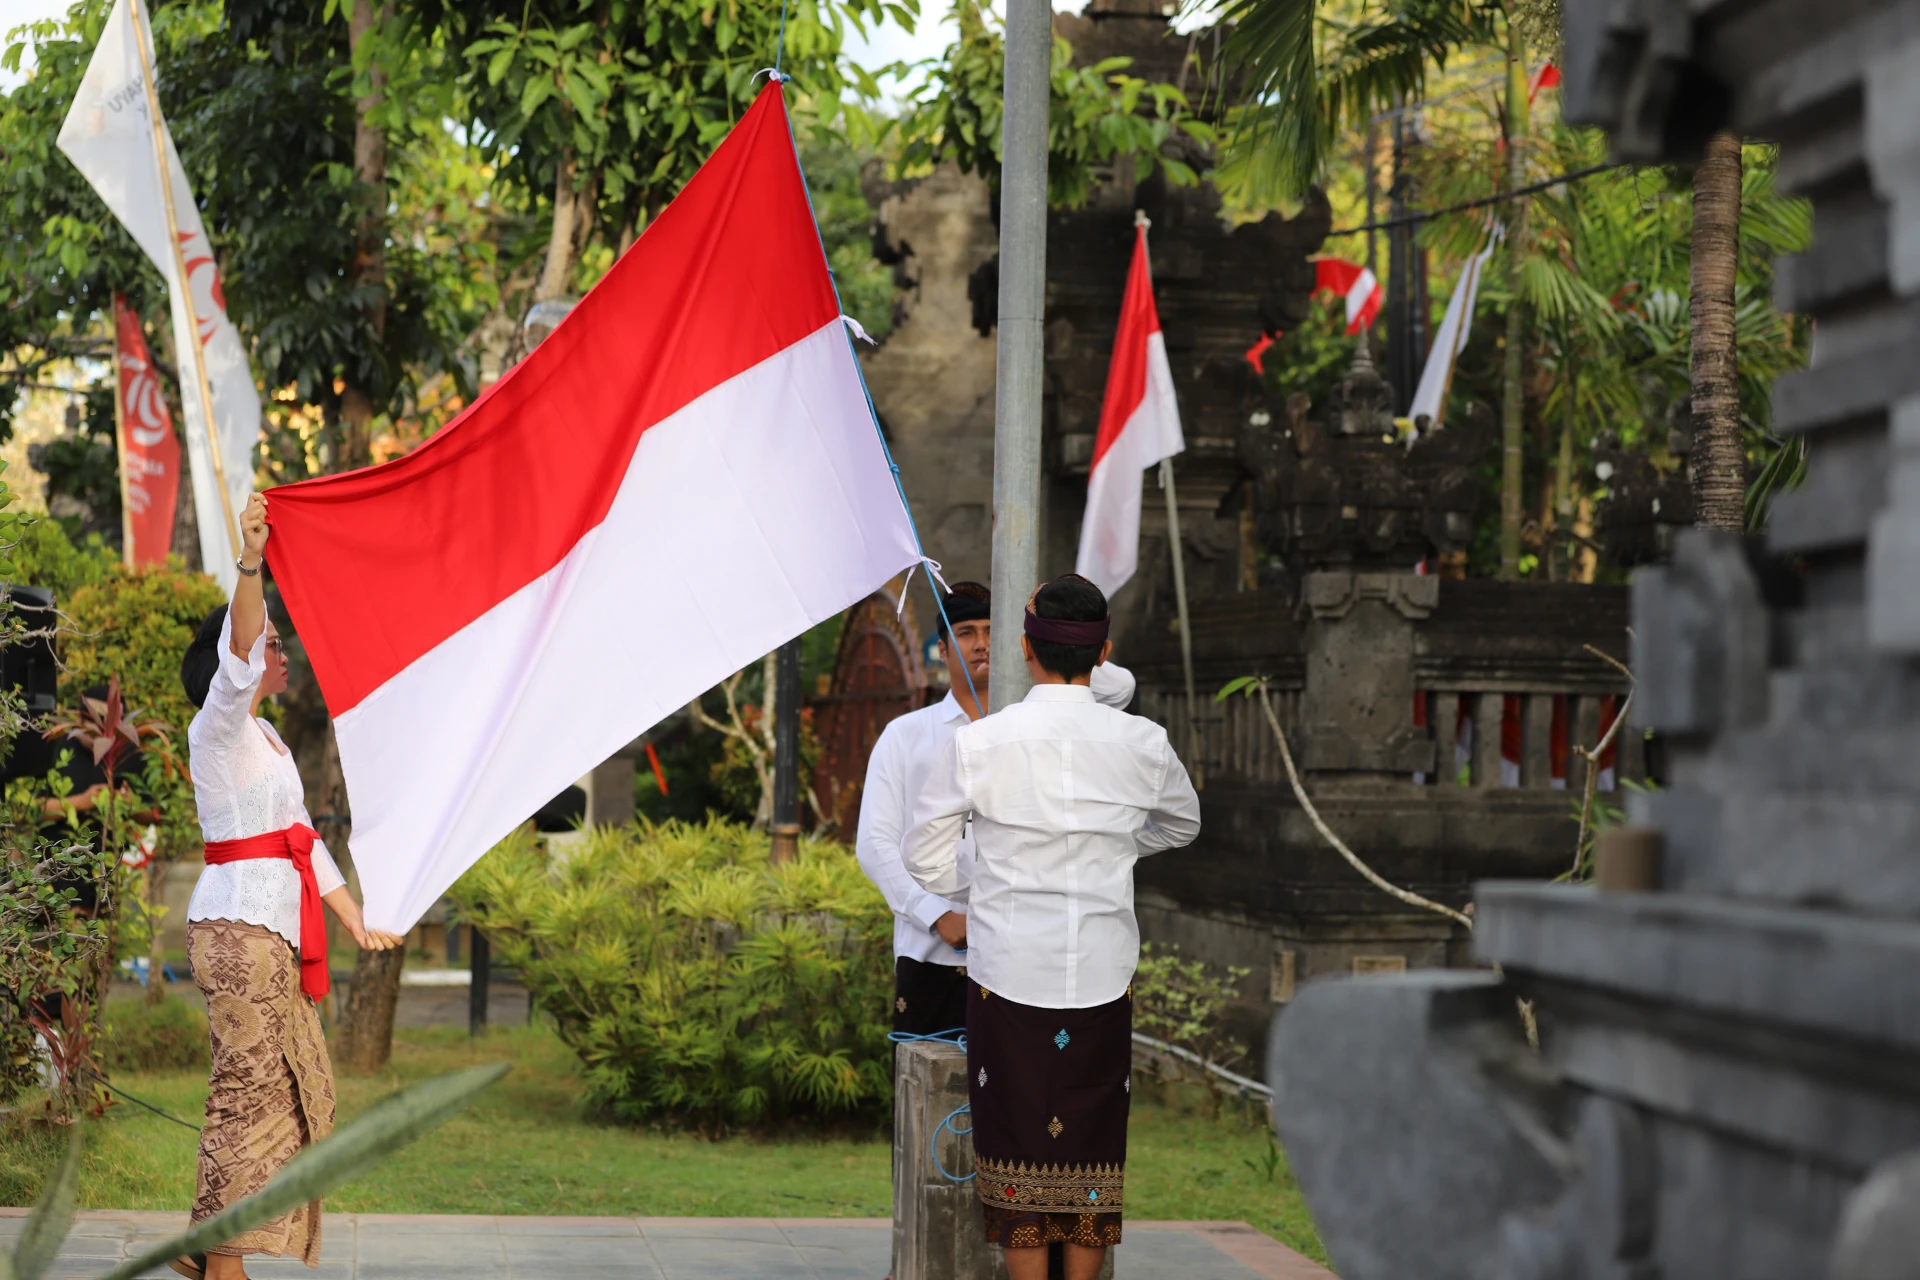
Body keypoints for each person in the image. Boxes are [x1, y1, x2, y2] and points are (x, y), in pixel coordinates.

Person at [905, 574, 1200, 1280]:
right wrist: (1118, 842)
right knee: (1093, 1156)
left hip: (1007, 973)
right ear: (1104, 654)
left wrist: (986, 885)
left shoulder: (984, 743)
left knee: (1015, 1153)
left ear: (1024, 648)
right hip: (1101, 975)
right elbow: (1183, 824)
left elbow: (922, 854)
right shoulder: (1144, 742)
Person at [172, 493, 403, 1280]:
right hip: (238, 934)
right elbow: (237, 659)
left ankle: (210, 1242)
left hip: (278, 933)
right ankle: (224, 1260)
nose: (280, 653)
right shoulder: (220, 727)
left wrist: (357, 921)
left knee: (287, 1089)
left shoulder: (269, 740)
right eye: (272, 643)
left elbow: (307, 846)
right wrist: (251, 560)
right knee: (247, 1092)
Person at [855, 581, 1137, 1040]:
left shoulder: (1039, 724)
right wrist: (935, 914)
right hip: (934, 954)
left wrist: (1041, 631)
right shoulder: (905, 735)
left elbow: (1120, 687)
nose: (982, 643)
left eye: (993, 631)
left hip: (1027, 955)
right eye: (966, 633)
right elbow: (875, 844)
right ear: (941, 649)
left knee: (1028, 1100)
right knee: (931, 1097)